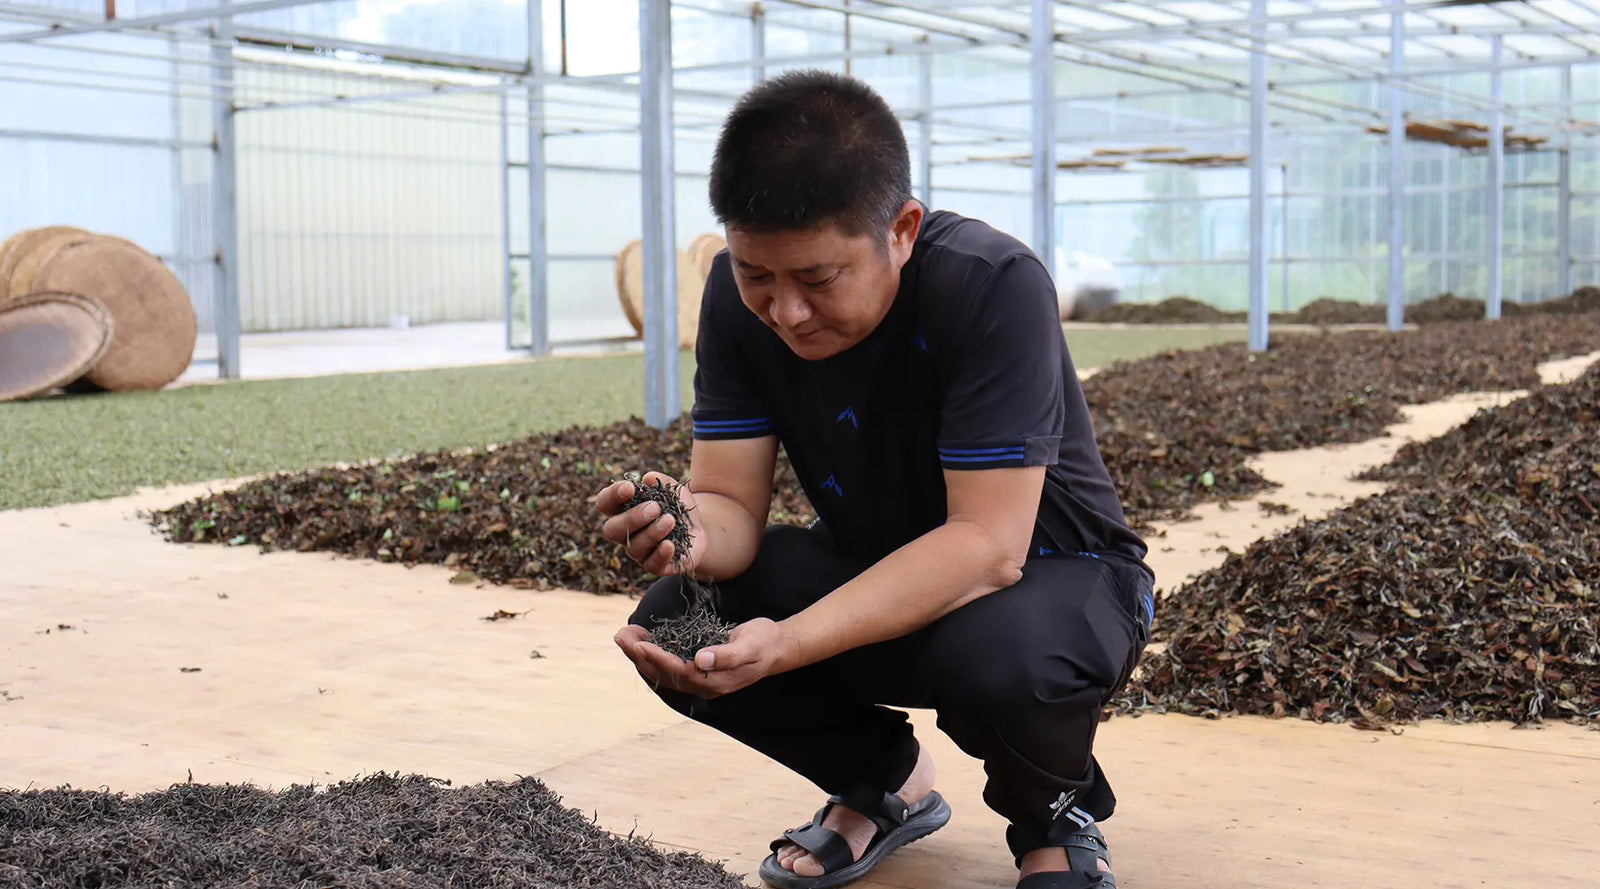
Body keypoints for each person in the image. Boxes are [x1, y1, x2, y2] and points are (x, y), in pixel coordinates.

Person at [593, 69, 1154, 889]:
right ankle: (882, 781)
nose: (785, 311)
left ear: (901, 228)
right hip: (879, 567)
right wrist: (692, 527)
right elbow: (732, 502)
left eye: (818, 279)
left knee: (994, 653)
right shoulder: (732, 299)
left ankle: (1051, 813)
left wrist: (787, 641)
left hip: (1060, 577)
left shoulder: (988, 283)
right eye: (759, 275)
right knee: (680, 624)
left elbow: (988, 548)